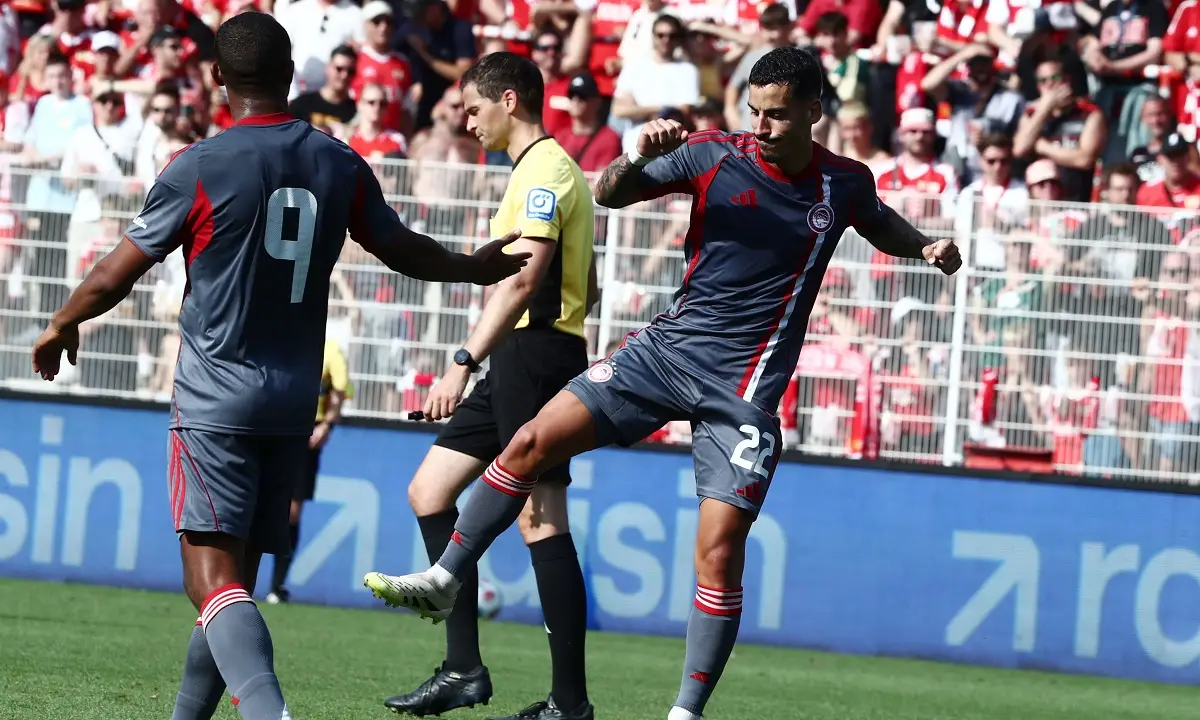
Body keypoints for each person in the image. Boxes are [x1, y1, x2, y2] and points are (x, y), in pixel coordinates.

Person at [363, 45, 962, 720]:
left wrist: (924, 245)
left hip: (743, 388)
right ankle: (445, 578)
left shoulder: (842, 183)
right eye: (754, 111)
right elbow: (610, 192)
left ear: (813, 112)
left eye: (775, 114)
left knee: (719, 554)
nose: (761, 126)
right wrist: (637, 156)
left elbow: (877, 220)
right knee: (529, 442)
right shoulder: (712, 154)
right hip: (666, 353)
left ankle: (683, 713)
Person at [29, 11, 529, 720]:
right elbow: (399, 248)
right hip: (292, 402)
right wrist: (470, 268)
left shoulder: (201, 164)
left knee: (212, 584)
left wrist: (61, 322)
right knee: (233, 585)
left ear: (216, 77)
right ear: (292, 75)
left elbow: (117, 271)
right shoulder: (337, 161)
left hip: (216, 398)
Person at [376, 51, 598, 720]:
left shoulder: (546, 172)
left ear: (509, 101)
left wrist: (462, 361)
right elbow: (585, 285)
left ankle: (569, 704)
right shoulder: (533, 171)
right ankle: (463, 669)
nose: (466, 121)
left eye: (473, 108)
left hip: (536, 355)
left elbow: (525, 281)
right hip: (519, 355)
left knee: (541, 518)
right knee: (429, 490)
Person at [267, 337, 354, 604]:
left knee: (291, 512)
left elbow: (340, 390)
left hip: (306, 434)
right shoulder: (278, 340)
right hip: (272, 428)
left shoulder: (330, 350)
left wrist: (327, 425)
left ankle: (277, 585)